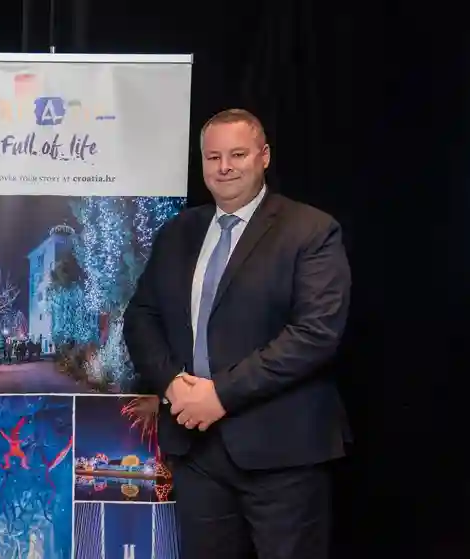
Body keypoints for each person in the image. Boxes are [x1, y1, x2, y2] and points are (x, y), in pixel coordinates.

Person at [123, 109, 351, 559]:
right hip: (197, 451)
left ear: (264, 157)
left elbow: (315, 333)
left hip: (283, 452)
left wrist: (221, 394)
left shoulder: (310, 230)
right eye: (213, 157)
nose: (224, 167)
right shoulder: (178, 232)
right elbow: (141, 317)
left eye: (238, 155)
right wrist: (171, 383)